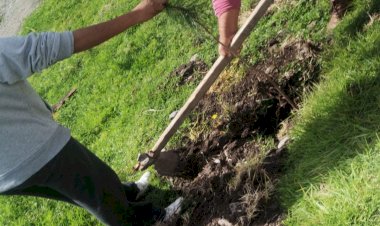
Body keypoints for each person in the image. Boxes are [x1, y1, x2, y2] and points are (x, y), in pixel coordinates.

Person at [0, 0, 183, 225]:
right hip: (32, 151)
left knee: (83, 189)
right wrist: (136, 15)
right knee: (97, 190)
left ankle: (126, 194)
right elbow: (59, 45)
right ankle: (150, 220)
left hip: (6, 176)